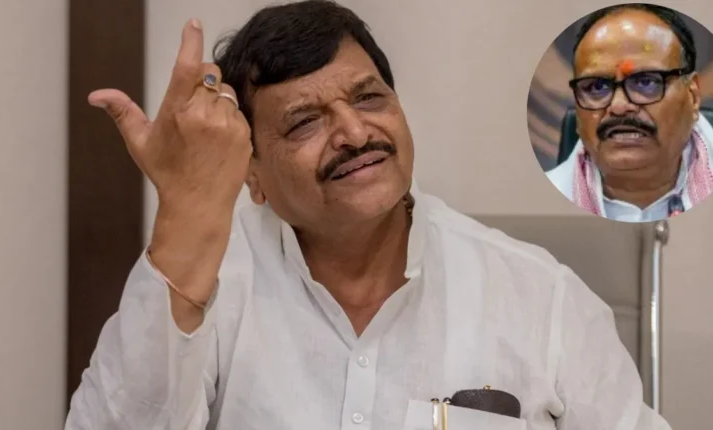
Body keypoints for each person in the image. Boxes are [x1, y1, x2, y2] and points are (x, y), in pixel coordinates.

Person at [65, 1, 670, 429]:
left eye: (369, 98)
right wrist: (187, 213)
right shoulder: (209, 284)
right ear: (253, 174)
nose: (354, 133)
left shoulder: (541, 298)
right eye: (305, 122)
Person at [547, 3, 713, 223]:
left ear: (692, 96)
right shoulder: (533, 207)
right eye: (597, 87)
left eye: (645, 82)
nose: (619, 106)